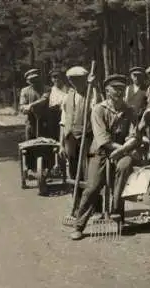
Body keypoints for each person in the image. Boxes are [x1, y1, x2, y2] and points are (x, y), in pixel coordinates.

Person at [70, 74, 139, 241]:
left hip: (123, 152)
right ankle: (79, 225)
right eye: (115, 88)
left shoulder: (130, 111)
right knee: (93, 187)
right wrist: (118, 148)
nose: (119, 92)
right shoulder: (98, 109)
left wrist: (123, 150)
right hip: (99, 151)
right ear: (107, 91)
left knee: (123, 171)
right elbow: (102, 138)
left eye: (122, 88)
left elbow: (134, 136)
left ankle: (117, 216)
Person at [60, 66, 101, 225]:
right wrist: (61, 143)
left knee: (90, 173)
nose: (76, 83)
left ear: (85, 80)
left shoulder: (92, 93)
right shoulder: (67, 98)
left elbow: (96, 106)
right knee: (73, 172)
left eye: (79, 80)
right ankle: (77, 208)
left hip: (89, 138)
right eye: (72, 81)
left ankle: (94, 208)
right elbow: (63, 123)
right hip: (71, 139)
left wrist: (94, 86)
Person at [19, 68, 51, 140]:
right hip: (30, 122)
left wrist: (31, 105)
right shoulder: (24, 91)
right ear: (28, 81)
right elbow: (22, 106)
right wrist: (24, 109)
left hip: (44, 122)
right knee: (30, 145)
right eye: (31, 79)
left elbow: (44, 99)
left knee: (45, 145)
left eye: (36, 78)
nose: (34, 81)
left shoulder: (47, 88)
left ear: (40, 78)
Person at [46, 69, 68, 140]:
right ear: (51, 79)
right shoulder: (49, 90)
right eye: (54, 77)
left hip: (65, 116)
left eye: (58, 77)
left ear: (62, 78)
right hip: (53, 118)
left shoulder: (68, 90)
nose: (56, 79)